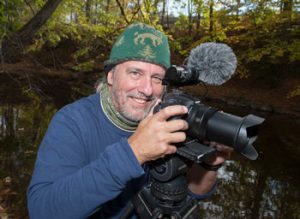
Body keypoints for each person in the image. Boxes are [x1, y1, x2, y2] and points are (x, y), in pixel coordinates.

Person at [27, 23, 232, 219]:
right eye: (135, 73)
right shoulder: (72, 121)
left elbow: (192, 193)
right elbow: (43, 211)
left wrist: (211, 164)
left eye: (157, 78)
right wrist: (133, 153)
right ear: (111, 76)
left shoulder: (171, 121)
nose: (147, 89)